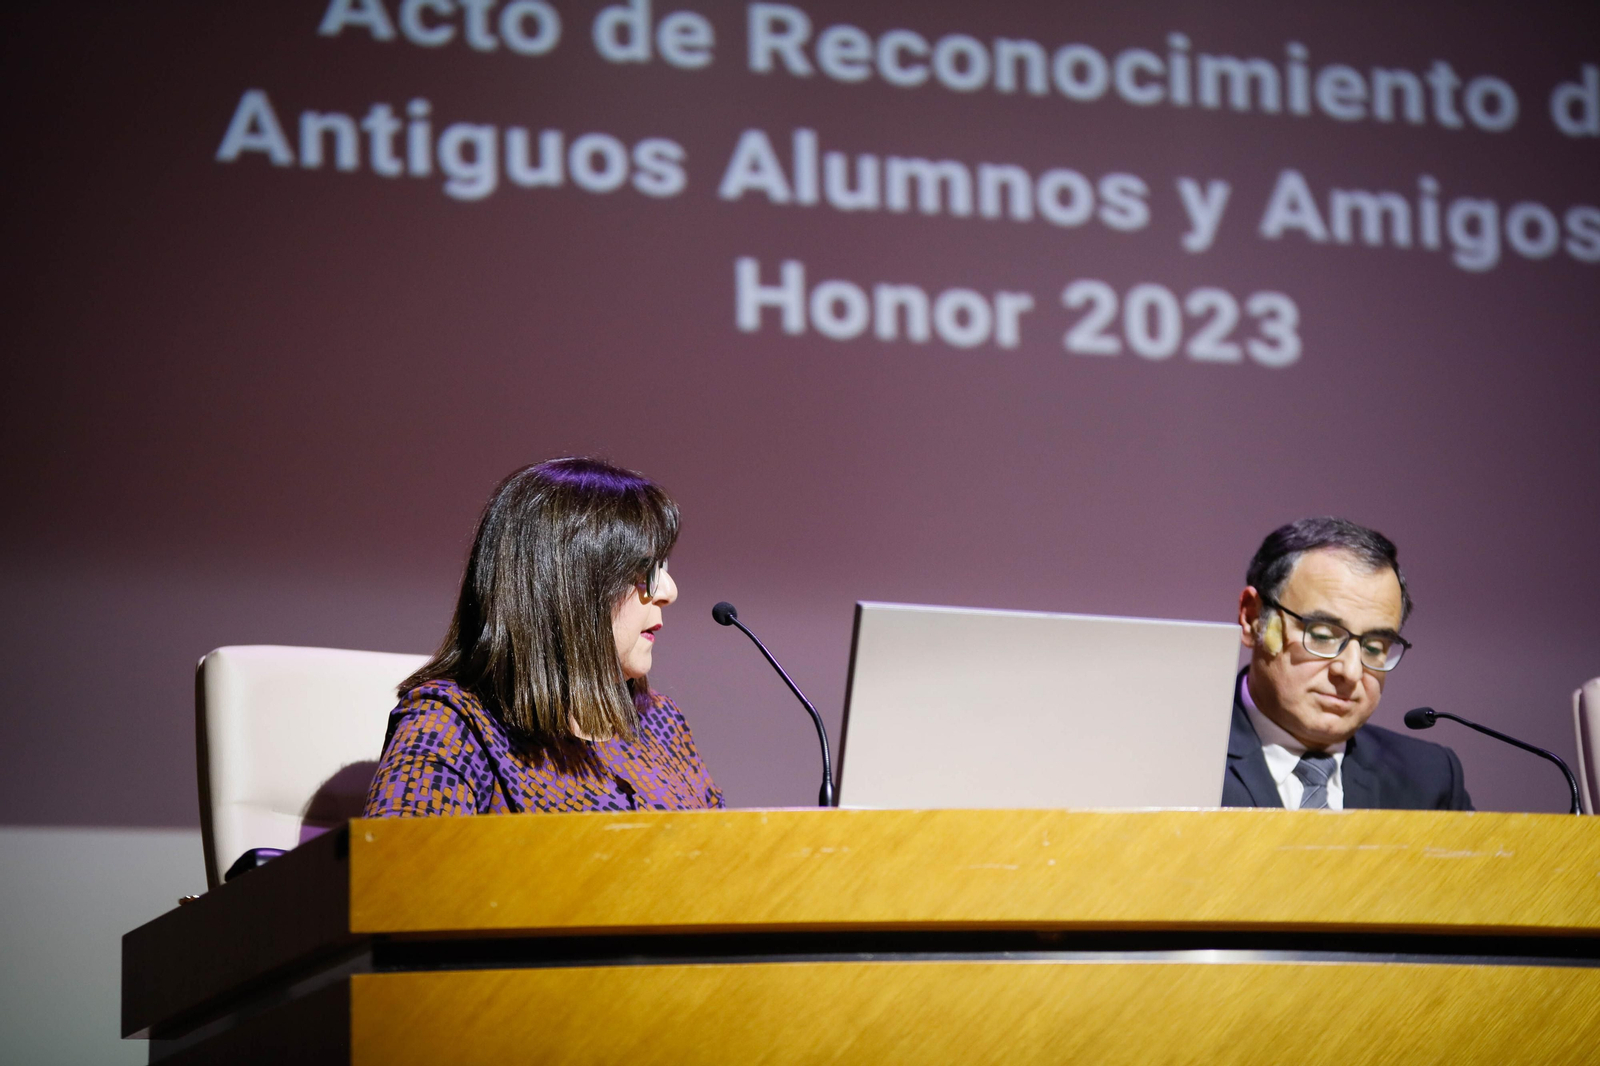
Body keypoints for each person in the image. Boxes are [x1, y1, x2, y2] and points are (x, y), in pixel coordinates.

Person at [365, 458, 723, 815]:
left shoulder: (659, 722)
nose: (669, 591)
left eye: (664, 567)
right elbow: (395, 867)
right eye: (645, 569)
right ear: (570, 585)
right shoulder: (454, 724)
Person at [1221, 517, 1471, 810]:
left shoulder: (1428, 779)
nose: (1351, 672)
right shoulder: (1176, 757)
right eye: (1323, 635)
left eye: (1374, 647)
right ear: (1253, 619)